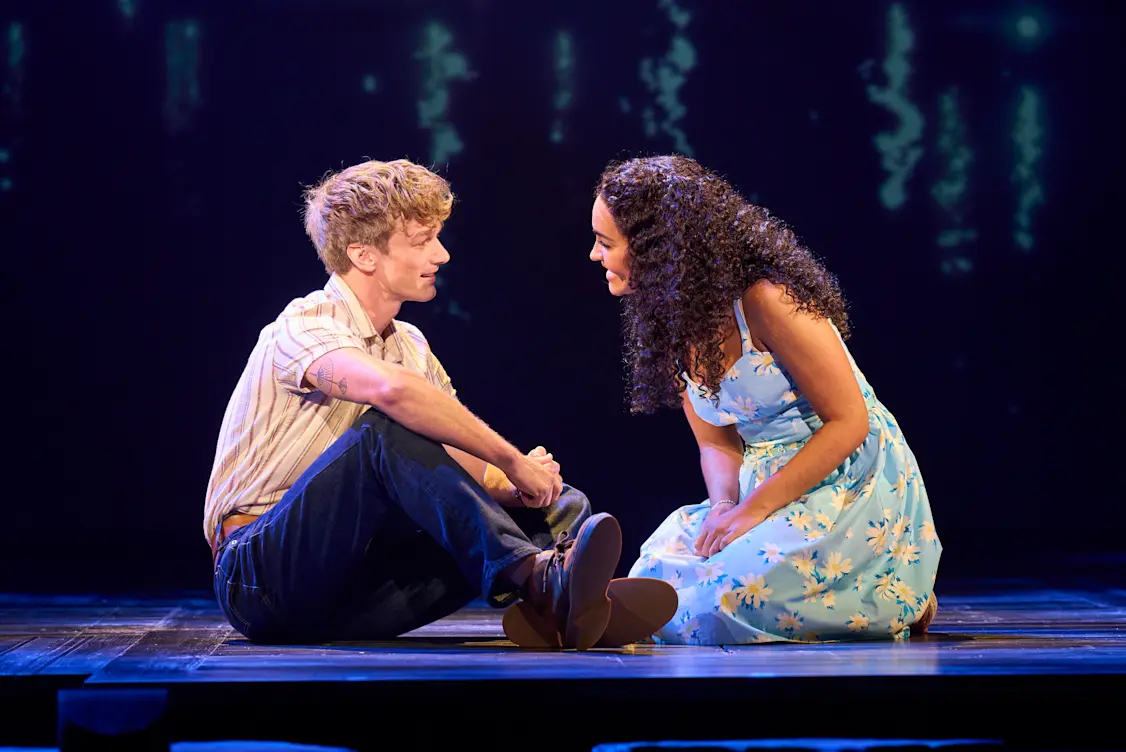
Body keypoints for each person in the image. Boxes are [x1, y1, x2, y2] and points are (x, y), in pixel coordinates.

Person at [203, 158, 675, 650]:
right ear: (364, 255)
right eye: (422, 241)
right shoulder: (304, 324)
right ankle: (542, 585)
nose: (443, 255)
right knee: (383, 428)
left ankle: (565, 606)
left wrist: (524, 485)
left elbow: (455, 467)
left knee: (548, 505)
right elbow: (392, 395)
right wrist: (511, 458)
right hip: (260, 580)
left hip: (353, 594)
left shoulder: (409, 345)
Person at [587, 154, 942, 645]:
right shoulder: (673, 322)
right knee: (660, 567)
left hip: (843, 481)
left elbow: (849, 422)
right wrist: (724, 506)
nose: (594, 255)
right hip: (764, 484)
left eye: (606, 243)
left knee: (728, 601)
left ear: (657, 249)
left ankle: (893, 587)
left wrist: (752, 511)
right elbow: (717, 443)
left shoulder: (767, 301)